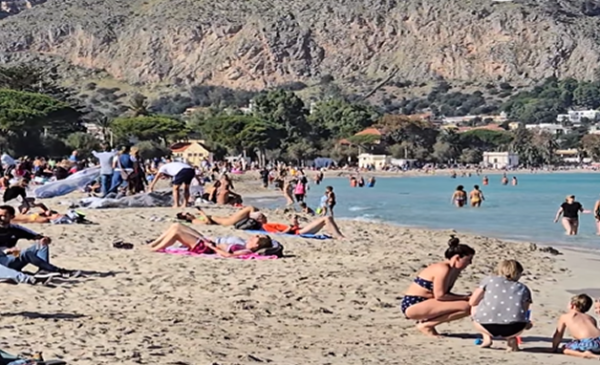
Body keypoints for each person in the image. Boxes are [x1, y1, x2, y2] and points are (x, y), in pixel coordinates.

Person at [401, 235, 474, 336]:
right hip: (414, 304)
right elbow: (440, 295)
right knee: (466, 307)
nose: (470, 263)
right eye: (468, 259)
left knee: (469, 304)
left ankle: (427, 324)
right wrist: (466, 297)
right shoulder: (443, 268)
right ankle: (427, 325)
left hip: (428, 302)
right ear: (457, 258)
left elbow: (445, 294)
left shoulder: (454, 270)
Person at [0, 205, 80, 279]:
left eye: (3, 216)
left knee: (41, 243)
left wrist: (45, 239)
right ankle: (56, 270)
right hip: (2, 263)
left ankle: (44, 270)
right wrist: (6, 250)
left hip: (12, 259)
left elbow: (38, 236)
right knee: (25, 253)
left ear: (12, 217)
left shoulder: (15, 229)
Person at [469, 260, 533, 351]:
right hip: (515, 328)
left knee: (475, 306)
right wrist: (527, 322)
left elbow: (472, 302)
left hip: (486, 324)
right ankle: (511, 339)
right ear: (518, 273)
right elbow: (525, 310)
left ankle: (486, 337)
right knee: (516, 313)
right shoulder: (524, 288)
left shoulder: (489, 280)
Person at [191, 206, 345, 239]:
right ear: (260, 220)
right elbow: (281, 232)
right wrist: (292, 227)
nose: (265, 216)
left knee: (325, 219)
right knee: (327, 218)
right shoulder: (266, 226)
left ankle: (337, 235)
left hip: (298, 229)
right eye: (263, 215)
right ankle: (339, 236)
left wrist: (293, 222)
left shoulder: (264, 225)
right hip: (299, 232)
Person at [146, 223, 273, 257]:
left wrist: (212, 246)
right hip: (207, 242)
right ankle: (153, 244)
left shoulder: (246, 250)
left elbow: (228, 255)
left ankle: (155, 249)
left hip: (205, 248)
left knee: (176, 232)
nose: (254, 236)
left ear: (256, 245)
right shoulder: (244, 243)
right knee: (176, 225)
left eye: (258, 237)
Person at [552, 294, 600, 359]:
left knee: (565, 348)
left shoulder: (565, 317)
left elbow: (558, 335)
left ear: (573, 305)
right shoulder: (591, 318)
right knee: (593, 345)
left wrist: (554, 348)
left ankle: (586, 354)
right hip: (598, 341)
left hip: (588, 343)